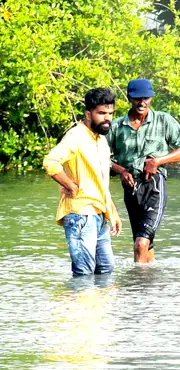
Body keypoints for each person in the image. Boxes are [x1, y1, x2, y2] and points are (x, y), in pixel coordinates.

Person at [107, 78, 180, 263]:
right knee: (146, 243)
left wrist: (158, 161)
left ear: (151, 98)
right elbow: (99, 157)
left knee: (140, 243)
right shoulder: (116, 126)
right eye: (138, 98)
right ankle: (149, 284)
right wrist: (120, 170)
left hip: (155, 185)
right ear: (129, 98)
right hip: (131, 189)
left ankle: (137, 287)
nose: (142, 102)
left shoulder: (164, 120)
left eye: (146, 98)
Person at [43, 88, 123, 276]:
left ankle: (100, 307)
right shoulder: (76, 137)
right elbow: (50, 162)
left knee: (106, 270)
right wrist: (69, 185)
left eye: (110, 113)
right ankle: (77, 305)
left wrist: (113, 212)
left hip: (100, 214)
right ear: (88, 114)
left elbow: (100, 181)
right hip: (80, 214)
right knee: (83, 273)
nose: (107, 118)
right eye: (101, 113)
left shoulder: (101, 140)